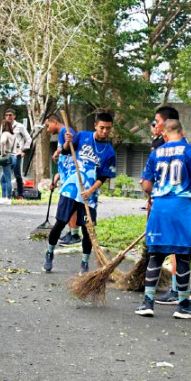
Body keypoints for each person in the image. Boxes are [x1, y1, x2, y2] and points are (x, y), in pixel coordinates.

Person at [136, 119, 191, 319]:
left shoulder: (155, 153)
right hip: (181, 208)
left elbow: (147, 186)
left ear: (165, 134)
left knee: (156, 255)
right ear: (181, 132)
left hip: (159, 209)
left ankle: (147, 303)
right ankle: (184, 305)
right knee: (182, 255)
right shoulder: (189, 150)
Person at [43, 112, 116, 275]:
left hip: (89, 196)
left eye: (108, 129)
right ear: (96, 126)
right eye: (102, 128)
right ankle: (49, 253)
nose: (104, 131)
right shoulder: (82, 137)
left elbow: (103, 178)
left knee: (87, 230)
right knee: (60, 223)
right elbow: (65, 152)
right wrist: (68, 143)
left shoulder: (109, 152)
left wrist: (90, 191)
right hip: (71, 189)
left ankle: (84, 263)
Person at [150, 105, 183, 305]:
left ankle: (175, 289)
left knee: (176, 247)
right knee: (169, 246)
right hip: (163, 201)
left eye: (157, 121)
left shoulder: (172, 144)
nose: (154, 125)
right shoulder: (164, 143)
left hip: (173, 203)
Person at [44, 113, 79, 244]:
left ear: (54, 122)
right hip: (65, 175)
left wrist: (58, 151)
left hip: (72, 176)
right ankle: (70, 232)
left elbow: (73, 145)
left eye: (48, 126)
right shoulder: (60, 135)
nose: (48, 129)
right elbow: (63, 159)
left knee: (72, 206)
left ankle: (75, 234)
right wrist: (55, 180)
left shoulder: (65, 131)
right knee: (68, 207)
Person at [4, 109, 32, 200]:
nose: (8, 117)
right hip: (7, 153)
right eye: (7, 115)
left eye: (10, 115)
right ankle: (6, 195)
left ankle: (20, 194)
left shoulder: (19, 126)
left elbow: (28, 139)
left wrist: (23, 150)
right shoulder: (4, 126)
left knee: (17, 174)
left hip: (16, 153)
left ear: (14, 116)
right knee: (5, 174)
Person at [0, 120, 19, 205]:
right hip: (14, 157)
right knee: (3, 178)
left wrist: (2, 153)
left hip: (7, 157)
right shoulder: (13, 135)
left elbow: (2, 142)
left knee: (7, 179)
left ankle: (8, 198)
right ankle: (3, 197)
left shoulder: (4, 134)